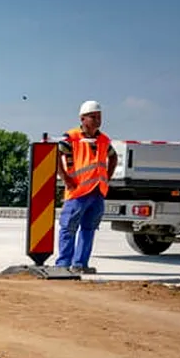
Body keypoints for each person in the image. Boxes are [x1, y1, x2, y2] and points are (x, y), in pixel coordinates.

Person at [55, 100, 117, 273]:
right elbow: (55, 156)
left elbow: (113, 157)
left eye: (99, 117)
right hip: (78, 191)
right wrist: (66, 179)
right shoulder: (71, 137)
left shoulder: (103, 140)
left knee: (89, 229)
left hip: (97, 192)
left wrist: (107, 177)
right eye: (93, 117)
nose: (97, 120)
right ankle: (63, 265)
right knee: (68, 227)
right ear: (83, 119)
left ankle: (80, 264)